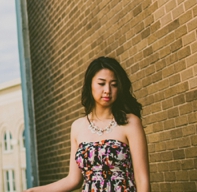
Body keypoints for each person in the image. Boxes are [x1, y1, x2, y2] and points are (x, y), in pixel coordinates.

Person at [26, 56, 149, 192]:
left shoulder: (130, 122)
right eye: (101, 84)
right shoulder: (78, 126)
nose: (107, 90)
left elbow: (142, 179)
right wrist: (33, 191)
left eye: (114, 84)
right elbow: (73, 180)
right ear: (90, 84)